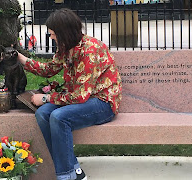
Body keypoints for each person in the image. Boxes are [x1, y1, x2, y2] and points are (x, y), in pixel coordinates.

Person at [17, 8, 122, 180]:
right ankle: (74, 171)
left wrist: (45, 97)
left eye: (52, 34)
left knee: (59, 117)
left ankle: (66, 176)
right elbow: (48, 70)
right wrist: (22, 59)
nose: (50, 37)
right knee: (43, 113)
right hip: (81, 99)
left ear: (63, 33)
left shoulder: (89, 51)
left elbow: (80, 96)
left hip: (102, 103)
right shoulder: (66, 48)